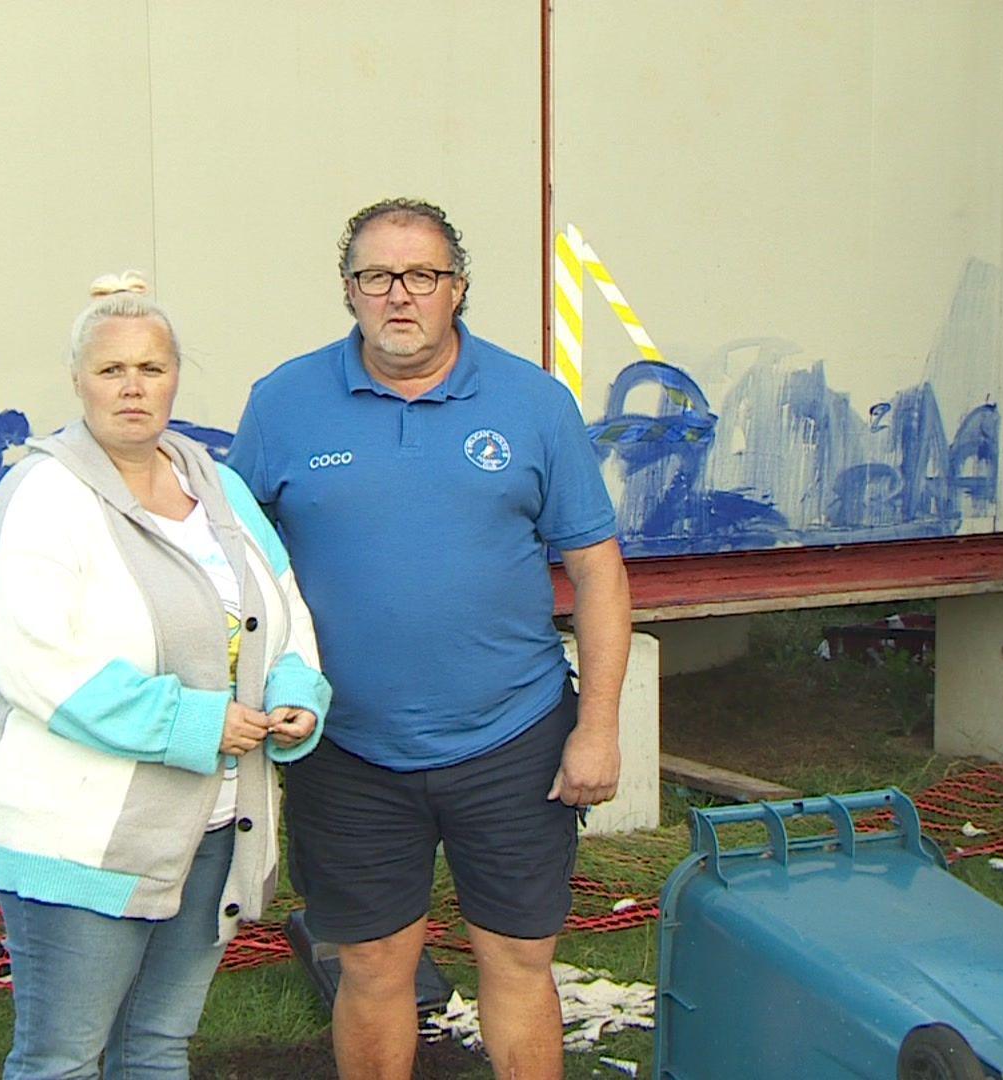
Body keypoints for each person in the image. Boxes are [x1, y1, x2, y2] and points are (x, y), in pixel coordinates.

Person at [227, 199, 631, 1080]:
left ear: (458, 290)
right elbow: (234, 567)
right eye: (377, 277)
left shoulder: (533, 402)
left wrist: (598, 727)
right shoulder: (284, 402)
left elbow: (598, 570)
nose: (399, 296)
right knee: (372, 967)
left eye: (423, 276)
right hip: (347, 747)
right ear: (349, 291)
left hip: (513, 738)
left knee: (518, 963)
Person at [0, 272, 330, 1080]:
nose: (133, 387)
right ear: (78, 382)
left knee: (158, 1046)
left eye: (152, 368)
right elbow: (40, 664)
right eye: (111, 370)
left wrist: (296, 694)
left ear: (175, 378)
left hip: (215, 819)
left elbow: (284, 608)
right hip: (82, 833)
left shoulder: (217, 484)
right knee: (63, 1058)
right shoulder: (39, 496)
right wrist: (194, 725)